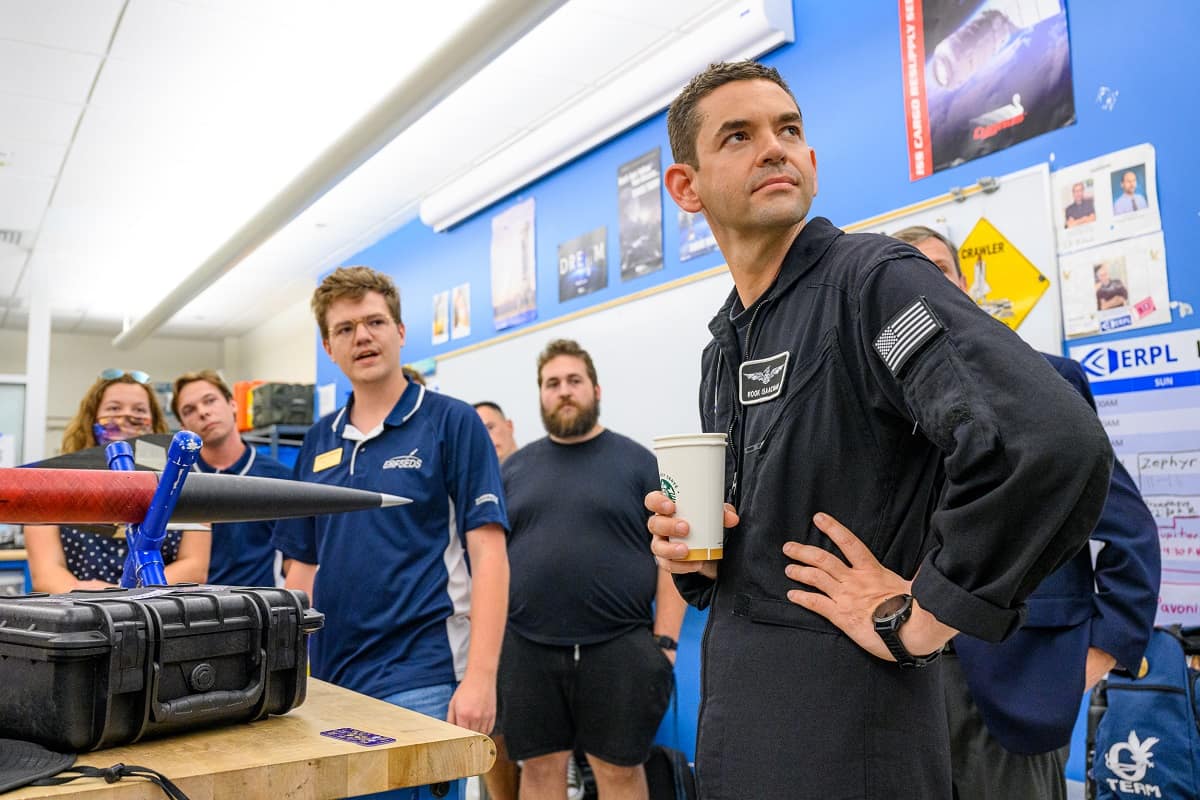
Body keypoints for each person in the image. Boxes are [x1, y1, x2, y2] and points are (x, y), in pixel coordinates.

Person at [647, 61, 1113, 799]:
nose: (774, 147)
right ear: (687, 187)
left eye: (788, 130)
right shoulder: (724, 346)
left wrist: (926, 615)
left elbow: (1051, 441)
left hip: (852, 727)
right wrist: (693, 559)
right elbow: (764, 531)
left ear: (812, 164)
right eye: (739, 135)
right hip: (741, 713)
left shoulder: (872, 281)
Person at [893, 225, 1160, 800]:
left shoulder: (1045, 381)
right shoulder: (877, 411)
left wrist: (1104, 649)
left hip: (1020, 676)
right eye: (907, 273)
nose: (925, 282)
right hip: (903, 679)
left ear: (964, 286)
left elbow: (1129, 529)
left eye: (938, 268)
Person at [272, 266, 509, 800]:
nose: (363, 336)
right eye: (345, 328)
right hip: (328, 678)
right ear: (329, 347)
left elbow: (489, 555)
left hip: (421, 673)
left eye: (375, 321)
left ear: (400, 332)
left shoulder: (452, 423)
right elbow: (301, 569)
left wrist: (481, 678)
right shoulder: (317, 441)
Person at [499, 339, 684, 800]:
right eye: (552, 383)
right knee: (540, 770)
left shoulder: (640, 463)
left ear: (596, 390)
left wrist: (665, 643)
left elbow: (673, 556)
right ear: (540, 394)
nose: (564, 391)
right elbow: (492, 561)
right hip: (527, 647)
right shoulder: (512, 470)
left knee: (620, 771)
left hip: (620, 647)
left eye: (574, 381)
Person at [25, 369, 211, 591]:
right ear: (91, 419)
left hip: (161, 613)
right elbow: (46, 575)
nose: (127, 418)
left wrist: (130, 595)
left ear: (153, 422)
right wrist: (106, 599)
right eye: (114, 408)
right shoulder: (52, 483)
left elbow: (195, 566)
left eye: (139, 410)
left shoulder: (183, 480)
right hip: (80, 614)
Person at [172, 370, 292, 587]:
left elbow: (294, 561)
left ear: (233, 404)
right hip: (195, 612)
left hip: (261, 611)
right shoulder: (176, 484)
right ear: (183, 427)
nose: (203, 412)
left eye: (210, 401)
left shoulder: (280, 479)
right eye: (189, 410)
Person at [471, 399, 520, 800]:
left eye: (490, 426)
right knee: (496, 735)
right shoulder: (472, 488)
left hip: (547, 633)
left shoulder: (542, 473)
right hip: (495, 634)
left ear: (509, 426)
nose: (486, 437)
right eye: (478, 430)